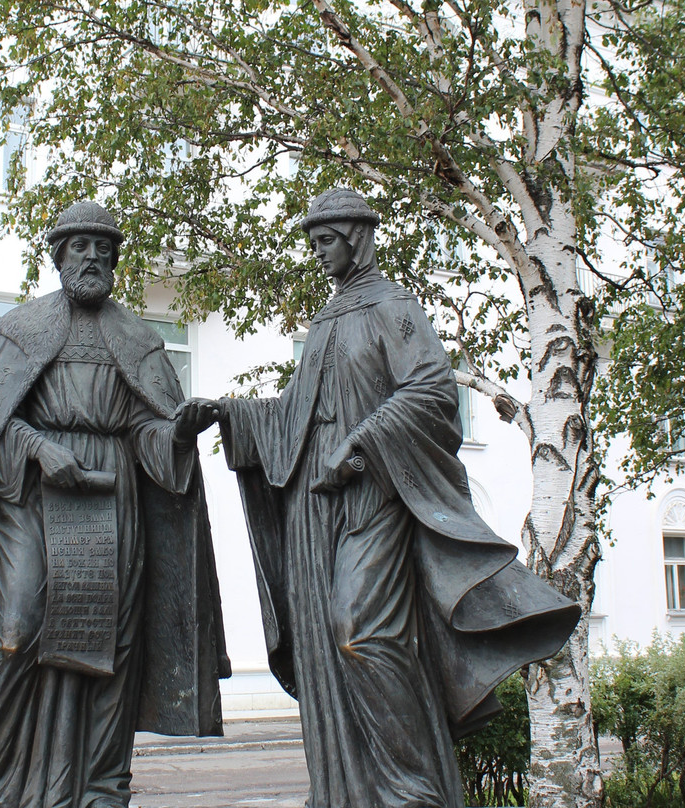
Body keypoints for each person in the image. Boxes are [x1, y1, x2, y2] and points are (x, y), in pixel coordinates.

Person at [216, 188, 580, 808]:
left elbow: (433, 390)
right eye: (313, 244)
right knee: (323, 647)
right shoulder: (328, 318)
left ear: (356, 236)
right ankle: (346, 791)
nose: (318, 254)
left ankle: (412, 791)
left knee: (363, 633)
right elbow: (297, 418)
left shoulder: (394, 307)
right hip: (316, 505)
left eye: (325, 241)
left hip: (375, 497)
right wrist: (232, 412)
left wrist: (363, 442)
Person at [0, 200, 229, 808]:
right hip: (34, 497)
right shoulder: (21, 329)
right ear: (58, 255)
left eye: (103, 248)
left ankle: (99, 785)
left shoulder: (140, 339)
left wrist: (175, 432)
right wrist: (40, 449)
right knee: (15, 629)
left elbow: (146, 434)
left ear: (116, 259)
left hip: (112, 496)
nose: (92, 257)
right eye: (79, 246)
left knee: (109, 646)